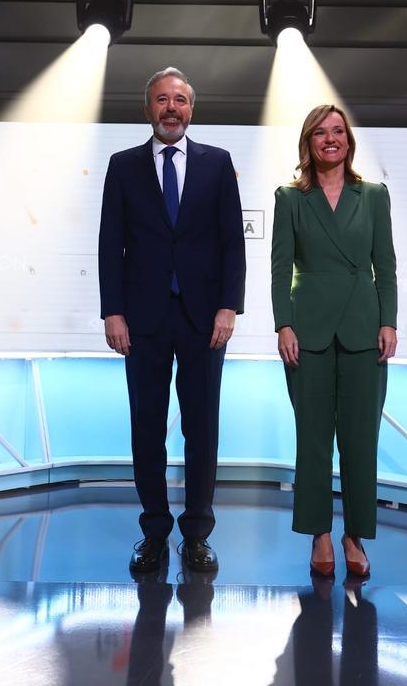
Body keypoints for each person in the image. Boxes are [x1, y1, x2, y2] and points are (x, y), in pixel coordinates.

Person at [98, 66, 246, 574]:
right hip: (142, 320)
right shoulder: (122, 166)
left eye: (179, 100)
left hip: (206, 319)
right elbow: (109, 245)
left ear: (191, 109)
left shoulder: (218, 163)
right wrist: (112, 311)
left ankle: (198, 534)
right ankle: (155, 532)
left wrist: (229, 306)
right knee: (147, 428)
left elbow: (232, 243)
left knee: (202, 430)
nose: (171, 108)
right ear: (148, 109)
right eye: (162, 100)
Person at [270, 104, 397, 579]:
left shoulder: (375, 195)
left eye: (338, 131)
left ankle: (355, 535)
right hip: (309, 331)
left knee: (362, 440)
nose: (330, 139)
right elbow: (280, 268)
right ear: (308, 142)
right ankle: (320, 535)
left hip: (365, 329)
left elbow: (385, 265)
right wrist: (284, 324)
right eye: (320, 133)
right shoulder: (290, 197)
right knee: (314, 440)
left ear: (349, 140)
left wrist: (390, 321)